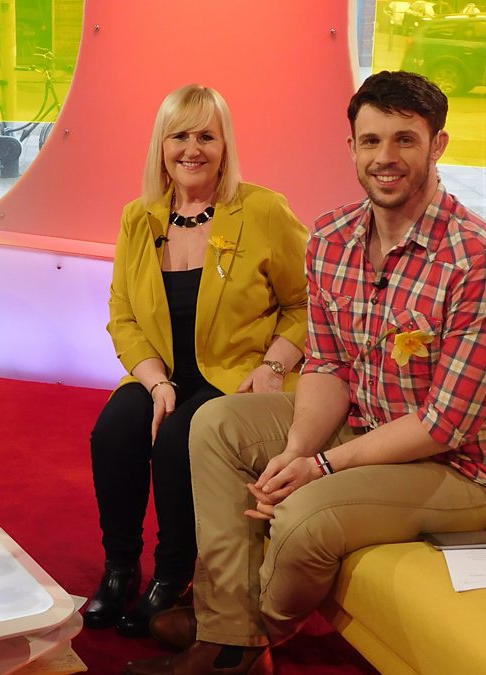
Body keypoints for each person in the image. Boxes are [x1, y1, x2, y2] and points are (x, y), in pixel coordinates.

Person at [125, 70, 486, 674]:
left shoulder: (485, 266)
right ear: (352, 148)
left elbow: (443, 424)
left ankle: (239, 642)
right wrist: (297, 449)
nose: (385, 157)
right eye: (371, 141)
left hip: (458, 468)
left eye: (405, 139)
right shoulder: (332, 236)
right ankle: (224, 625)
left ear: (438, 146)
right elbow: (327, 361)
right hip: (365, 420)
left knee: (302, 516)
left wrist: (320, 466)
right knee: (213, 423)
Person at [86, 84, 310, 639]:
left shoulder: (263, 210)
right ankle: (119, 570)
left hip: (236, 375)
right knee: (114, 430)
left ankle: (172, 576)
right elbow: (122, 314)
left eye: (206, 136)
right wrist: (155, 382)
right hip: (162, 372)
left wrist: (274, 366)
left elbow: (309, 302)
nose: (192, 149)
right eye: (179, 136)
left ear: (224, 145)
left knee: (176, 439)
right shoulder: (138, 217)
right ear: (161, 146)